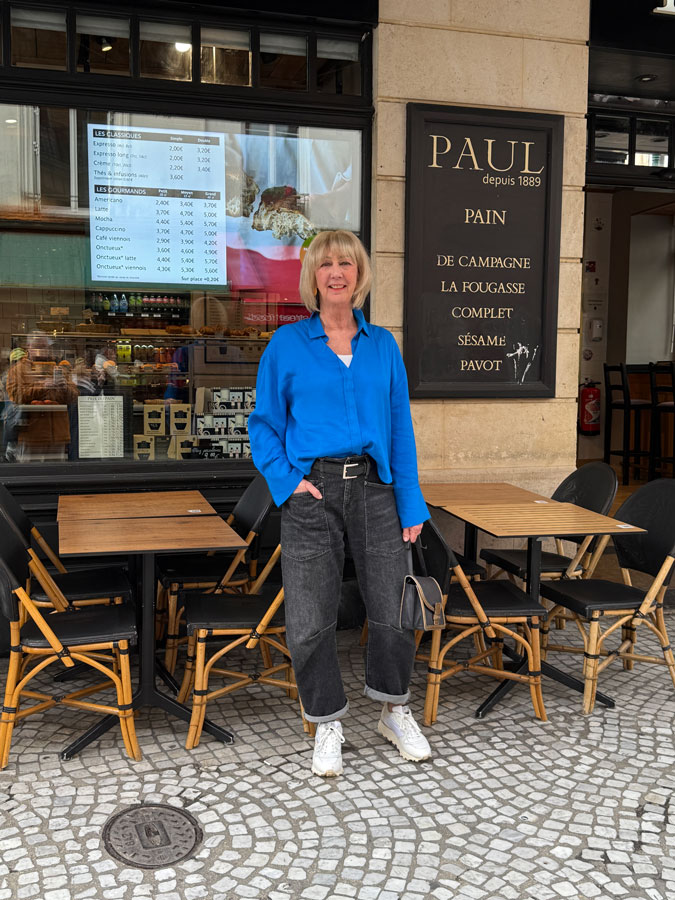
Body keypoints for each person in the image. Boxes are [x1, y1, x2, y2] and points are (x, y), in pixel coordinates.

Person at [248, 229, 431, 777]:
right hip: (314, 492)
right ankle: (326, 720)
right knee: (308, 617)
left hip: (376, 490)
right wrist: (288, 483)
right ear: (313, 276)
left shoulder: (383, 346)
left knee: (394, 608)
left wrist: (412, 503)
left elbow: (400, 428)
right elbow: (262, 427)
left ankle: (394, 710)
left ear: (359, 274)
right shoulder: (286, 347)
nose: (337, 272)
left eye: (346, 263)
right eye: (326, 263)